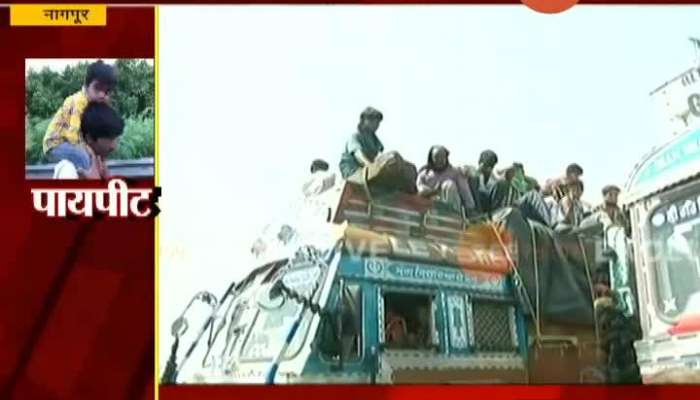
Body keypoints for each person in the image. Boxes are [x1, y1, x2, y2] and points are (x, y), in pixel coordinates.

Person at [43, 60, 117, 174]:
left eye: (106, 91)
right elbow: (72, 136)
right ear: (86, 86)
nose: (102, 95)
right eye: (97, 88)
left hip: (69, 144)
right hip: (56, 144)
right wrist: (90, 152)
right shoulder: (78, 102)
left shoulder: (94, 105)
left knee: (91, 157)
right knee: (84, 157)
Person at [53, 102, 124, 179]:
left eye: (116, 138)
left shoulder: (101, 168)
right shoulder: (68, 170)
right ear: (89, 138)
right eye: (109, 139)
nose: (114, 146)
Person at [416, 145, 478, 217]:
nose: (440, 160)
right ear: (431, 158)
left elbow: (465, 193)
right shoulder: (424, 174)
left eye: (442, 157)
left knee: (448, 185)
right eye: (436, 157)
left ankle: (452, 215)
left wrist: (471, 211)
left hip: (453, 212)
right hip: (431, 213)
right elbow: (420, 191)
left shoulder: (456, 172)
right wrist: (435, 190)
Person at [338, 107, 384, 180]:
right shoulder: (355, 137)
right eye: (372, 120)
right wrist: (371, 166)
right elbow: (358, 155)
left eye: (378, 122)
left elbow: (380, 156)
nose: (376, 124)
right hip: (352, 171)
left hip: (367, 170)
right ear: (364, 120)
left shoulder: (376, 141)